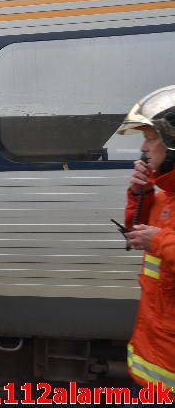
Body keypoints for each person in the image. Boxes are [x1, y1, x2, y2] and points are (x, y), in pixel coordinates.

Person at [116, 85, 175, 406]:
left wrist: (160, 240)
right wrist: (140, 193)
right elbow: (136, 233)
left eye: (151, 137)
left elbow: (158, 240)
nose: (144, 146)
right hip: (158, 359)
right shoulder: (166, 194)